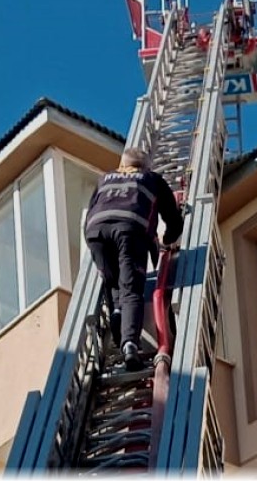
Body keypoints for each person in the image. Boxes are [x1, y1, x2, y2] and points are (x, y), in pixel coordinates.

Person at [84, 147, 184, 370]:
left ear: (122, 165)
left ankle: (117, 313)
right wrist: (167, 239)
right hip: (130, 231)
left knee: (112, 281)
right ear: (145, 166)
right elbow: (173, 219)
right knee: (131, 289)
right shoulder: (152, 179)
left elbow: (91, 208)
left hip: (95, 233)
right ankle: (130, 344)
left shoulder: (104, 179)